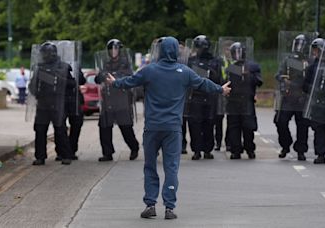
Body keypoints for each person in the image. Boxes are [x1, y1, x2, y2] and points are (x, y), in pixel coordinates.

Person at [106, 36, 231, 219]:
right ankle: (169, 207)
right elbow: (203, 84)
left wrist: (114, 82)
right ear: (175, 51)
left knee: (150, 166)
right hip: (173, 128)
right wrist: (220, 89)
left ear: (161, 51)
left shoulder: (149, 71)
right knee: (171, 167)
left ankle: (150, 204)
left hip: (152, 127)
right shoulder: (184, 72)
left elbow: (130, 82)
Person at [28, 42, 74, 165]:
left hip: (57, 103)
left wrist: (58, 81)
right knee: (40, 130)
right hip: (43, 104)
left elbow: (72, 84)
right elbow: (32, 85)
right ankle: (40, 156)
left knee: (60, 130)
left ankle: (66, 155)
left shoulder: (63, 67)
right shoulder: (40, 68)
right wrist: (38, 93)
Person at [95, 39, 140, 161]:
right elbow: (98, 78)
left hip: (121, 99)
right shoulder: (105, 63)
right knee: (104, 127)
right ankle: (107, 153)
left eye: (116, 49)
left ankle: (134, 147)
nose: (113, 52)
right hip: (107, 99)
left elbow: (129, 77)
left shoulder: (125, 63)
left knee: (125, 127)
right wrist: (100, 76)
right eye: (111, 49)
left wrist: (114, 78)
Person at [274, 34, 310, 161]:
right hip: (288, 97)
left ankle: (301, 150)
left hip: (302, 97)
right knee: (280, 121)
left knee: (302, 126)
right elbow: (278, 75)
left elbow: (311, 79)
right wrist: (284, 80)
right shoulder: (287, 60)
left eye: (302, 45)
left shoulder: (308, 61)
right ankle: (285, 144)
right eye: (297, 44)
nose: (299, 48)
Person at [224, 41, 263, 159]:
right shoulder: (231, 68)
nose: (237, 55)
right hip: (233, 101)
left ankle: (250, 148)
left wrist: (249, 75)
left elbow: (259, 81)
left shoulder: (252, 66)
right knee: (234, 126)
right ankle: (236, 150)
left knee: (248, 127)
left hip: (247, 101)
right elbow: (225, 82)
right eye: (235, 53)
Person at [186, 35, 223, 160]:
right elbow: (189, 76)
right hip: (195, 95)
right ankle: (196, 150)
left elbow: (218, 78)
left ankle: (207, 149)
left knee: (209, 123)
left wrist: (205, 73)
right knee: (194, 124)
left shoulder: (215, 60)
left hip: (210, 95)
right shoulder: (191, 60)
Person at [55, 68, 86, 161]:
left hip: (75, 100)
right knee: (60, 127)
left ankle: (72, 150)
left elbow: (81, 80)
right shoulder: (57, 65)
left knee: (77, 124)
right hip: (60, 99)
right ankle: (62, 152)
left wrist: (76, 72)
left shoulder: (75, 66)